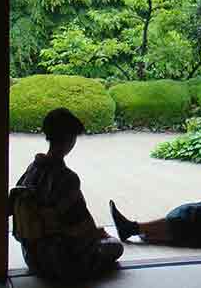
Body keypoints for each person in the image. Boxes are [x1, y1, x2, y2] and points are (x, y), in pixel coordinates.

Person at [10, 108, 123, 280]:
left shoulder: (32, 169)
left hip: (32, 257)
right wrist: (98, 234)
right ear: (71, 139)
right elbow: (81, 227)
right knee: (115, 246)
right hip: (62, 260)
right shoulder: (67, 178)